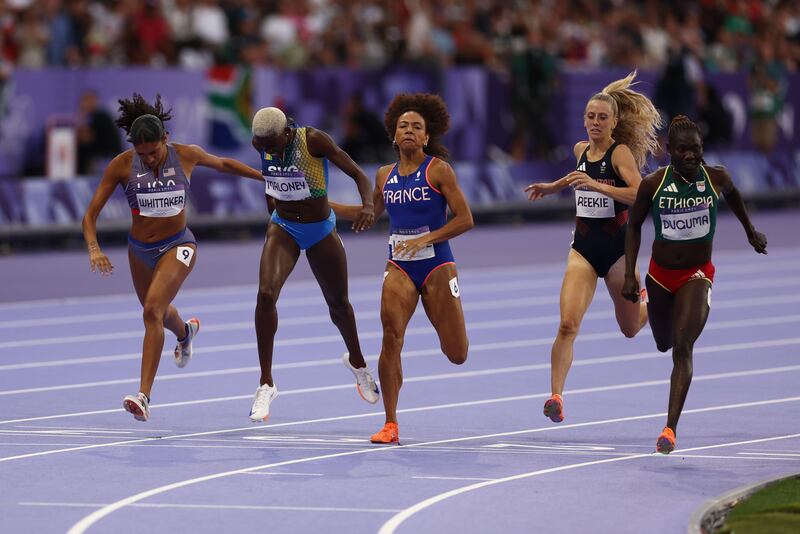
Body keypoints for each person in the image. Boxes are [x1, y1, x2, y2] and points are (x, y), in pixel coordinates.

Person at [81, 93, 263, 422]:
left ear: (165, 139)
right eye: (142, 154)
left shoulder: (186, 156)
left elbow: (223, 164)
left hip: (178, 245)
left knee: (151, 311)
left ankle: (143, 397)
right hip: (139, 250)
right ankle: (185, 333)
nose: (148, 159)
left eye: (153, 152)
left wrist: (265, 178)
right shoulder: (122, 165)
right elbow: (90, 215)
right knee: (159, 312)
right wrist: (94, 248)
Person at [330, 93, 474, 444]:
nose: (409, 131)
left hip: (438, 264)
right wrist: (319, 205)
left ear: (426, 137)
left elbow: (466, 219)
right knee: (391, 338)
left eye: (417, 127)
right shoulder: (384, 175)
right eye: (403, 126)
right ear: (394, 136)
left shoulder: (438, 170)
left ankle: (392, 418)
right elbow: (368, 215)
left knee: (457, 353)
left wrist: (427, 239)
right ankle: (390, 423)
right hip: (399, 265)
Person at [622, 115, 767, 454]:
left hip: (697, 274)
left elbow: (734, 197)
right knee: (663, 343)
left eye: (696, 149)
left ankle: (669, 429)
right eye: (683, 150)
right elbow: (633, 227)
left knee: (683, 346)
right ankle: (649, 303)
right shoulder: (653, 184)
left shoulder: (716, 177)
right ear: (669, 150)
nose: (690, 155)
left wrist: (750, 232)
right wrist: (630, 273)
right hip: (659, 276)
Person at [524, 71, 662, 423]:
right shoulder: (580, 150)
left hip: (618, 253)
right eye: (590, 116)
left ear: (615, 122)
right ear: (583, 120)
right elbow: (578, 177)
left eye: (602, 117)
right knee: (568, 324)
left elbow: (639, 194)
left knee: (630, 329)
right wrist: (554, 187)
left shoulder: (621, 155)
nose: (595, 122)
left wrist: (599, 187)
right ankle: (555, 396)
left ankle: (656, 305)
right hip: (583, 251)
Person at [248, 107, 378, 423]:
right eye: (264, 146)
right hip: (284, 228)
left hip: (320, 230)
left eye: (274, 145)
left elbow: (359, 175)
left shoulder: (313, 140)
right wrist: (273, 201)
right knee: (266, 295)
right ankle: (266, 383)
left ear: (287, 132)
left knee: (339, 306)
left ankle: (358, 364)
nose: (269, 150)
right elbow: (270, 177)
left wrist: (368, 206)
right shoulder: (262, 143)